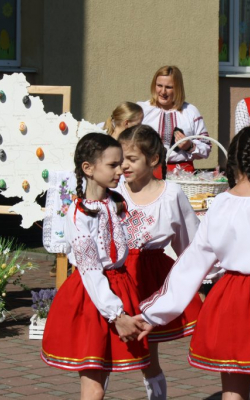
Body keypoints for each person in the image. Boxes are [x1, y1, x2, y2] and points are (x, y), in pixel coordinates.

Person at [135, 124, 250, 400]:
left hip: (228, 299)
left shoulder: (220, 204)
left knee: (234, 390)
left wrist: (155, 312)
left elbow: (192, 263)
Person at [41, 133, 149, 400]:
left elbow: (134, 239)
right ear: (88, 168)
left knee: (103, 378)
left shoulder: (116, 203)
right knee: (94, 386)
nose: (120, 170)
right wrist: (117, 314)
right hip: (92, 299)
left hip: (120, 289)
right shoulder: (78, 215)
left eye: (121, 163)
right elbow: (89, 269)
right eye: (112, 165)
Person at [115, 125, 202, 400]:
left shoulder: (171, 193)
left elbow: (192, 243)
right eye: (120, 159)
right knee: (102, 350)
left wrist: (197, 283)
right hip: (116, 277)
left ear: (153, 159)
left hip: (151, 279)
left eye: (131, 159)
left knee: (147, 353)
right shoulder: (114, 190)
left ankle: (157, 397)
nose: (124, 166)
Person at [138, 66, 211, 176]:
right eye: (159, 86)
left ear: (178, 88)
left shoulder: (190, 111)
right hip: (147, 172)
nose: (163, 91)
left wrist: (190, 146)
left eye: (169, 87)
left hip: (182, 174)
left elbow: (206, 146)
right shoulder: (142, 110)